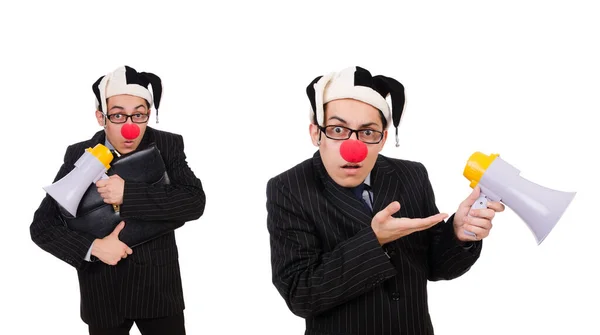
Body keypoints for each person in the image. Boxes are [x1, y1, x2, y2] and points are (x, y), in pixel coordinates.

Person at [265, 66, 505, 335]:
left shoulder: (412, 175)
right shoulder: (288, 188)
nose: (352, 147)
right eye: (337, 129)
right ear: (315, 133)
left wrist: (458, 234)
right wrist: (374, 240)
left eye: (368, 132)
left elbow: (437, 267)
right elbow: (301, 294)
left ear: (383, 139)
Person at [30, 65, 206, 335]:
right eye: (118, 116)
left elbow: (193, 202)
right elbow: (42, 226)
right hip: (102, 295)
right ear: (101, 117)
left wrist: (129, 194)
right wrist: (93, 247)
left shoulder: (168, 145)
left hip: (158, 291)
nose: (130, 128)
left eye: (138, 115)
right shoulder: (78, 153)